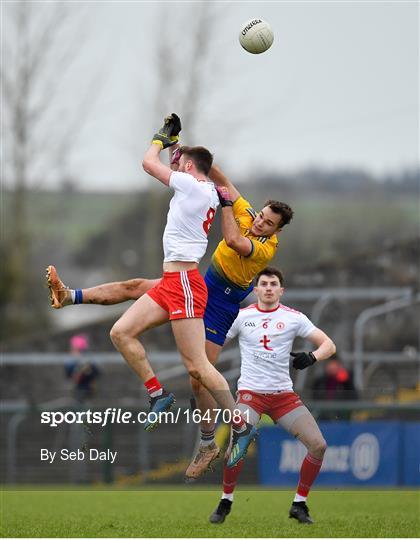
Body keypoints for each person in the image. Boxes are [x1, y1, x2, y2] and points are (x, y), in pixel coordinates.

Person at [46, 116, 294, 478]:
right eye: (261, 217)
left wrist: (162, 141)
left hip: (214, 297)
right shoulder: (222, 196)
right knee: (126, 314)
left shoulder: (261, 245)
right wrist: (184, 148)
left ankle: (234, 428)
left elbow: (232, 240)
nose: (260, 223)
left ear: (276, 231)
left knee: (199, 372)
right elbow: (220, 178)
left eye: (268, 224)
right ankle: (71, 298)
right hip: (190, 280)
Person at [209, 266, 336, 525]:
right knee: (239, 444)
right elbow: (214, 344)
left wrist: (312, 357)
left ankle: (299, 505)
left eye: (273, 284)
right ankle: (226, 500)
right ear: (255, 290)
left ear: (281, 290)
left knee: (319, 445)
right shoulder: (241, 316)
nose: (268, 288)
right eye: (263, 284)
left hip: (283, 397)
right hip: (250, 395)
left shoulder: (294, 318)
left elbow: (329, 345)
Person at [311, 354, 358, 419]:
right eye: (329, 365)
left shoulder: (345, 380)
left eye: (334, 365)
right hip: (324, 417)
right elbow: (314, 399)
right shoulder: (320, 381)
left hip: (341, 416)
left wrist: (346, 380)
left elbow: (353, 397)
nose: (331, 368)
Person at [65, 334, 100, 403]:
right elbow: (70, 376)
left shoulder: (89, 362)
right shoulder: (71, 363)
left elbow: (96, 373)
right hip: (77, 391)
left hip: (87, 391)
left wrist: (87, 370)